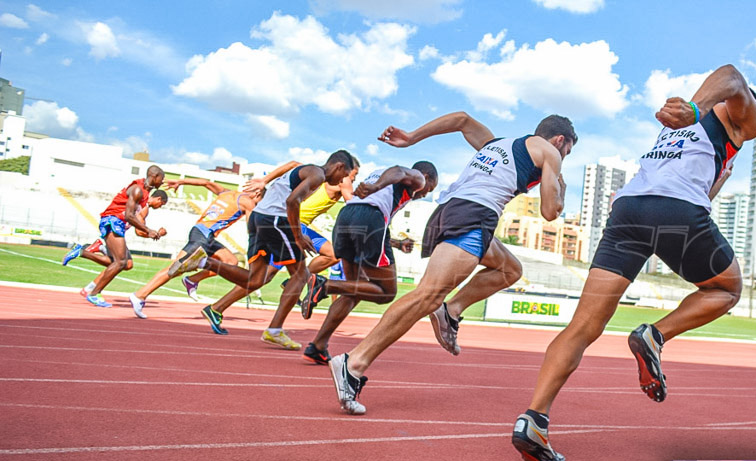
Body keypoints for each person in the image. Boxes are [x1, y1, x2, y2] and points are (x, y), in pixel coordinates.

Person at [510, 64, 756, 461]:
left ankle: (534, 419)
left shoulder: (679, 133)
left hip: (629, 211)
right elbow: (732, 75)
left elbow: (692, 189)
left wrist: (716, 175)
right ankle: (655, 335)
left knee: (582, 327)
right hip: (674, 212)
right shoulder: (732, 120)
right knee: (727, 289)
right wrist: (697, 110)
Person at [327, 111, 575, 415]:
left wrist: (411, 137)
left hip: (451, 211)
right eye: (568, 151)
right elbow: (550, 212)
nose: (565, 156)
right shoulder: (551, 152)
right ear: (559, 140)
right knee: (427, 295)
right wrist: (560, 187)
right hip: (474, 215)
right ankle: (353, 363)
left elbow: (461, 119)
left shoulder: (499, 144)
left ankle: (452, 310)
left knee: (510, 270)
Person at [172, 151, 359, 349]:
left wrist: (264, 181)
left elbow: (293, 167)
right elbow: (291, 201)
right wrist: (297, 236)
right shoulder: (318, 174)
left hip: (259, 218)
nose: (343, 180)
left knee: (255, 279)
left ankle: (202, 262)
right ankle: (275, 329)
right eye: (346, 175)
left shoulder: (307, 170)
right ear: (339, 167)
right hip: (278, 220)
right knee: (301, 275)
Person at [301, 161, 438, 367]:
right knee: (386, 293)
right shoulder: (416, 178)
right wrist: (376, 187)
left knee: (353, 289)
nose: (426, 193)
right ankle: (325, 285)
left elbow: (369, 214)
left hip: (346, 218)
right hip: (369, 219)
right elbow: (398, 170)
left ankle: (318, 345)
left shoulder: (379, 176)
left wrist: (397, 243)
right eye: (431, 188)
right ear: (426, 177)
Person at [127, 178, 261, 319]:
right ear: (257, 194)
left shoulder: (227, 192)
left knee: (230, 262)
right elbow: (252, 230)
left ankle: (192, 280)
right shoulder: (249, 202)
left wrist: (180, 181)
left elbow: (206, 183)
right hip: (203, 236)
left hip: (205, 235)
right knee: (175, 268)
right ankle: (139, 295)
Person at [62, 165, 168, 307]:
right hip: (113, 221)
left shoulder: (145, 194)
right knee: (120, 262)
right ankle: (93, 293)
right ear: (155, 177)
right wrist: (149, 230)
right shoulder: (138, 190)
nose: (163, 182)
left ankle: (82, 252)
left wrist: (150, 232)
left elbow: (137, 227)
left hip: (117, 223)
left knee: (125, 263)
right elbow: (129, 216)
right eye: (162, 178)